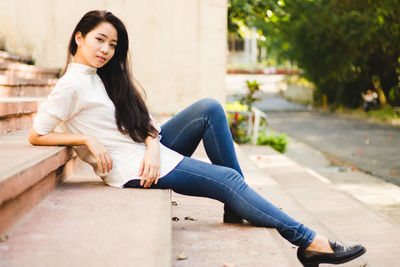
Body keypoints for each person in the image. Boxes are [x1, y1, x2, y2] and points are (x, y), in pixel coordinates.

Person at [28, 10, 366, 267]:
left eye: (113, 44)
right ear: (79, 38)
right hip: (131, 170)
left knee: (209, 108)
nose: (106, 50)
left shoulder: (104, 77)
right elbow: (36, 133)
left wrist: (151, 146)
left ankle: (238, 206)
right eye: (99, 40)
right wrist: (85, 141)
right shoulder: (71, 84)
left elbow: (142, 121)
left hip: (147, 154)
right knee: (228, 179)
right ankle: (308, 240)